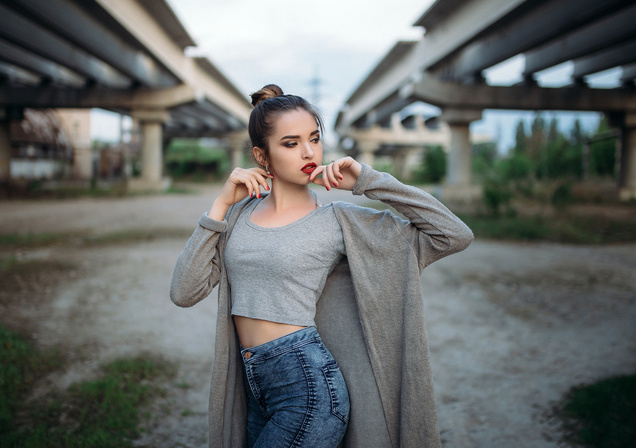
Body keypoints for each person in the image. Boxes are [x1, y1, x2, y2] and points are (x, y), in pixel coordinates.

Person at [170, 84, 474, 448]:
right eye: (291, 143)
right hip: (255, 386)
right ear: (261, 155)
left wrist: (368, 180)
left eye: (314, 139)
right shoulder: (237, 215)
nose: (309, 151)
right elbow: (184, 292)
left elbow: (453, 234)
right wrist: (219, 206)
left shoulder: (338, 220)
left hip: (310, 391)